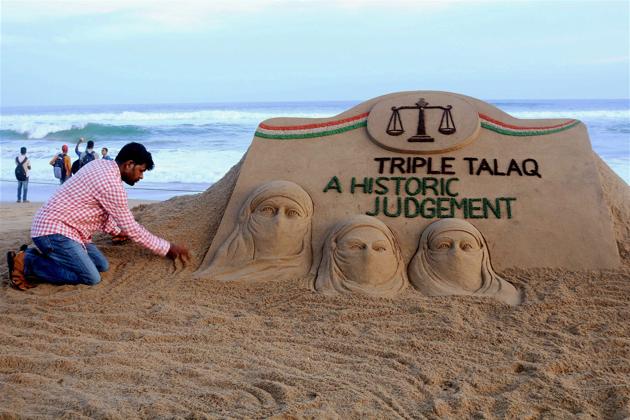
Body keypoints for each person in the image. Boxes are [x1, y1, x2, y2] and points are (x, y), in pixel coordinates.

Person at [6, 142, 190, 290]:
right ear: (129, 164)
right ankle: (27, 262)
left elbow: (97, 208)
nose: (141, 176)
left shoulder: (101, 164)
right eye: (141, 170)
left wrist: (116, 230)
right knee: (90, 277)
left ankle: (46, 255)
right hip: (54, 231)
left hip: (70, 230)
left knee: (102, 265)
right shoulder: (111, 185)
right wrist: (167, 248)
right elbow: (133, 229)